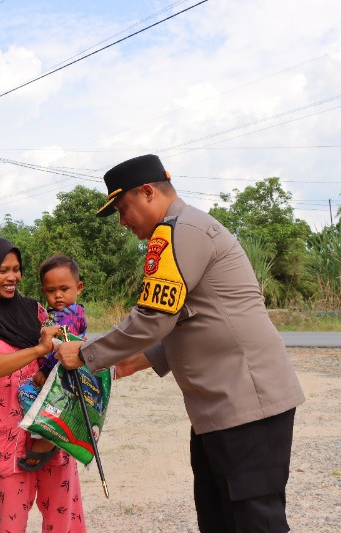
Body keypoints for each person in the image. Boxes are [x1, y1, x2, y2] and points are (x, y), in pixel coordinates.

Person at [56, 154, 306, 533]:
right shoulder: (182, 229)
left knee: (255, 522)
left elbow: (154, 318)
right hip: (223, 408)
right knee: (219, 516)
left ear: (147, 192)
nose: (123, 222)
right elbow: (186, 321)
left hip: (246, 405)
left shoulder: (179, 231)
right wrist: (122, 363)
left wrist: (87, 354)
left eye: (124, 209)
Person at [0, 237, 86, 533]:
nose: (12, 277)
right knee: (7, 526)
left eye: (16, 269)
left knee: (65, 522)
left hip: (50, 434)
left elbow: (62, 356)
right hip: (6, 444)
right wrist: (37, 350)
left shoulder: (35, 310)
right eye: (3, 270)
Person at [17, 254, 87, 470]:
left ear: (78, 287)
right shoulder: (65, 312)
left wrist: (45, 370)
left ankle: (46, 437)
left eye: (64, 289)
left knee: (26, 393)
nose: (58, 295)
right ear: (43, 292)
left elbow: (60, 347)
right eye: (51, 290)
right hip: (63, 368)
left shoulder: (68, 315)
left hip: (59, 369)